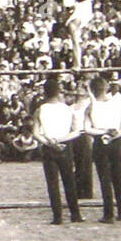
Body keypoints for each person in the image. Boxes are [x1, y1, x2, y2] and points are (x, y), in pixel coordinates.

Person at [32, 77, 82, 225]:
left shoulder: (40, 109)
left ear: (45, 93)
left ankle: (57, 216)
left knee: (52, 183)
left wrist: (51, 142)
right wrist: (61, 140)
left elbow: (36, 133)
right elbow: (77, 131)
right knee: (69, 181)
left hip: (49, 146)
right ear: (58, 92)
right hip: (65, 145)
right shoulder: (67, 109)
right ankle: (75, 214)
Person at [84, 77, 121, 223]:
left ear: (92, 90)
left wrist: (103, 132)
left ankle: (109, 213)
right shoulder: (117, 103)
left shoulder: (91, 106)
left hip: (101, 141)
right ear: (106, 88)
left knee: (105, 178)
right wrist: (115, 133)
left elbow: (87, 129)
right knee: (118, 176)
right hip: (115, 140)